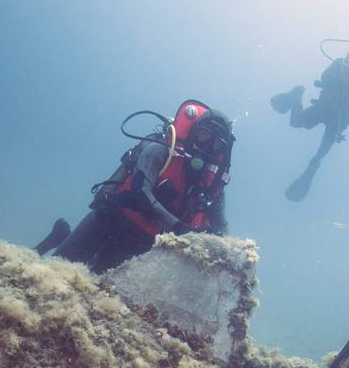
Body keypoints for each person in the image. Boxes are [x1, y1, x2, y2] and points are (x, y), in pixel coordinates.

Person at [35, 100, 234, 274]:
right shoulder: (161, 151)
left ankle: (60, 238)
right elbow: (141, 192)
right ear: (193, 132)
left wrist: (212, 242)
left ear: (223, 151)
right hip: (109, 222)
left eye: (217, 144)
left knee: (94, 290)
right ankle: (55, 241)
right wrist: (181, 228)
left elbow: (221, 231)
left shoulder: (213, 187)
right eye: (204, 136)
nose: (208, 146)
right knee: (54, 271)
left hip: (142, 247)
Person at [270, 36, 349, 200]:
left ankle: (312, 167)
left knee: (322, 151)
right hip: (325, 107)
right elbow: (326, 76)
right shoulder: (344, 64)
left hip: (341, 118)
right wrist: (335, 82)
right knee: (296, 122)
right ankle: (296, 95)